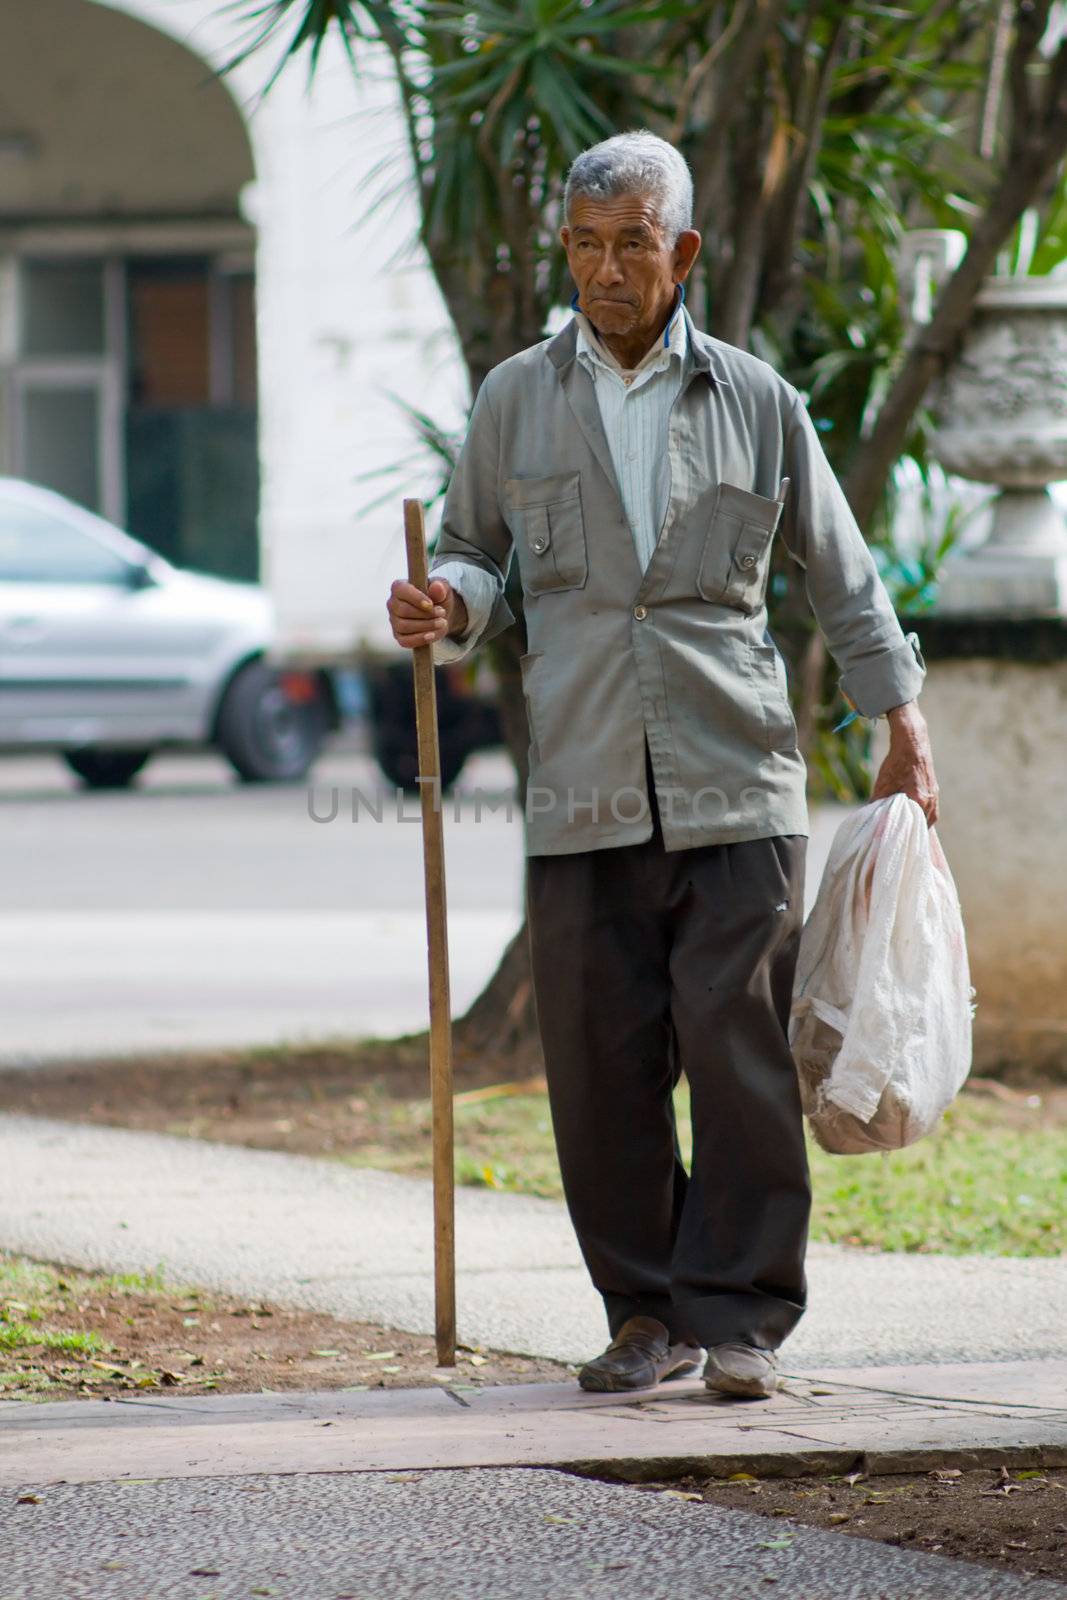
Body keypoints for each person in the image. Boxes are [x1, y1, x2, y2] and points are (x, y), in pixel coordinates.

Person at [387, 130, 938, 1400]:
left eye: (630, 243)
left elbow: (840, 576)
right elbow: (473, 549)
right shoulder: (515, 397)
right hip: (580, 776)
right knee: (598, 1062)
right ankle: (644, 1313)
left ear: (680, 250)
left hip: (733, 773)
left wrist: (897, 723)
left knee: (737, 1049)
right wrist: (445, 606)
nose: (603, 270)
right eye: (583, 246)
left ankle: (739, 1313)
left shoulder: (754, 399)